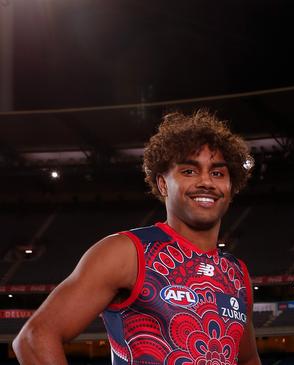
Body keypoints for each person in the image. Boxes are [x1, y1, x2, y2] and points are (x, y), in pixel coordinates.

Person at [13, 110, 261, 365]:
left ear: (231, 186)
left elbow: (248, 359)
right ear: (163, 184)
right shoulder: (126, 252)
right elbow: (34, 338)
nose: (206, 182)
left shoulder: (236, 274)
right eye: (189, 171)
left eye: (218, 173)